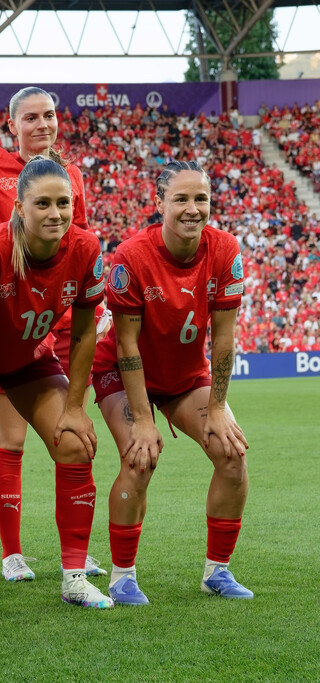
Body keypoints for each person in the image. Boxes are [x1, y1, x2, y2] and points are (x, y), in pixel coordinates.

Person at [0, 156, 113, 612]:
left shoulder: (85, 248)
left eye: (63, 203)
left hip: (27, 358)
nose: (55, 213)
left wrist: (76, 405)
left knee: (75, 443)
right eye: (42, 203)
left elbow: (84, 332)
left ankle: (75, 578)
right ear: (19, 207)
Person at [92, 160, 251, 605]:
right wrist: (143, 420)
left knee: (232, 454)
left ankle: (217, 572)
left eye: (200, 198)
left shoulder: (225, 250)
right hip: (123, 371)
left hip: (185, 375)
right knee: (141, 458)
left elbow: (223, 341)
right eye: (181, 198)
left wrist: (217, 409)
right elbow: (126, 348)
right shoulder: (131, 257)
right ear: (159, 202)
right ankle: (122, 577)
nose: (192, 208)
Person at [0, 86, 104, 583]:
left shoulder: (72, 176)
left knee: (69, 436)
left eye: (49, 116)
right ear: (13, 126)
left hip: (51, 326)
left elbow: (76, 247)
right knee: (4, 442)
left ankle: (74, 555)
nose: (42, 125)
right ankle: (10, 554)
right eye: (30, 118)